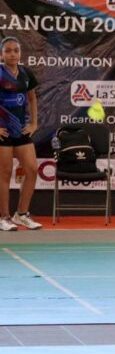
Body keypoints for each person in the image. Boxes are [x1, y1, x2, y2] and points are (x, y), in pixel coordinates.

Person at [0, 36, 41, 231]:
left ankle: (21, 214)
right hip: (3, 131)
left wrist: (33, 123)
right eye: (8, 51)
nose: (12, 54)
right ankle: (4, 218)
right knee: (5, 173)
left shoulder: (26, 74)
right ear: (2, 54)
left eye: (16, 50)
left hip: (21, 130)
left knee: (31, 170)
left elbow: (32, 99)